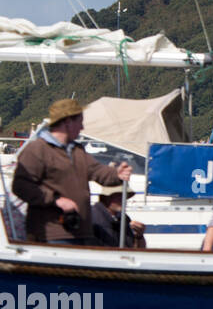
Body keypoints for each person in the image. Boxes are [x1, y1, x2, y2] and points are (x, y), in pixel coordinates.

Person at [11, 99, 130, 244]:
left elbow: (97, 170)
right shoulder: (37, 149)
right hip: (51, 234)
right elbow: (21, 186)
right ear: (67, 122)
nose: (82, 127)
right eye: (80, 121)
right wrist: (56, 201)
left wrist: (116, 174)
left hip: (80, 232)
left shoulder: (77, 150)